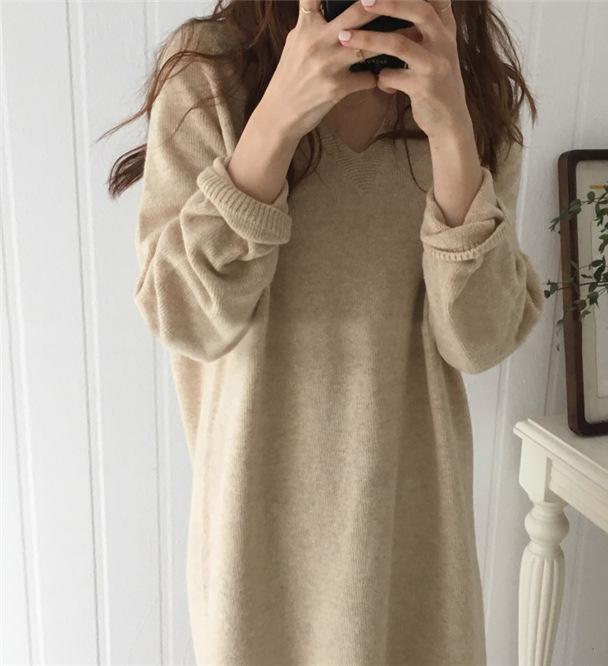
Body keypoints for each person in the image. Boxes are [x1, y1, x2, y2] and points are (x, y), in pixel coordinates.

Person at [104, 0, 545, 663]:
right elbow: (182, 317)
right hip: (257, 555)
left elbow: (479, 341)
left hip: (415, 551)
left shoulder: (471, 91)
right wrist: (276, 122)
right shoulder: (214, 72)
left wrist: (453, 132)